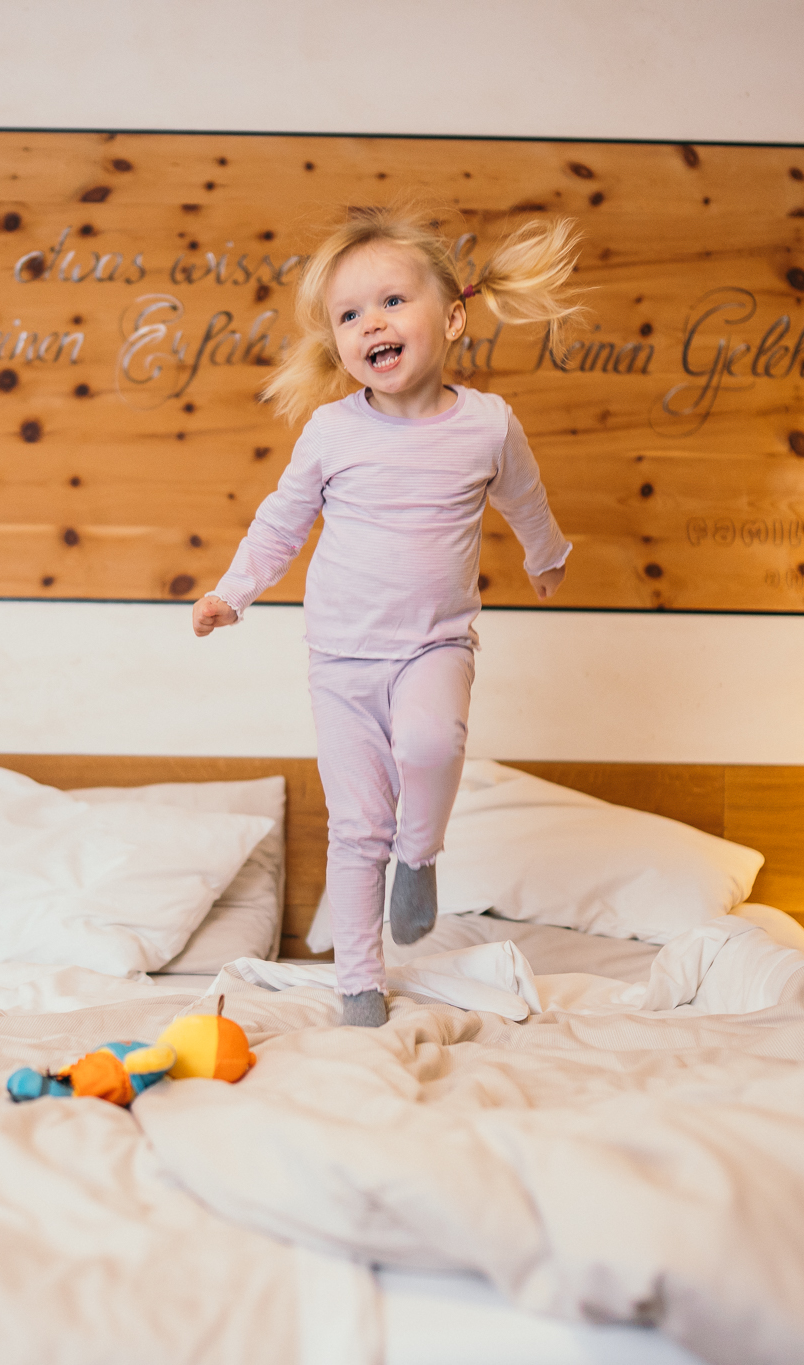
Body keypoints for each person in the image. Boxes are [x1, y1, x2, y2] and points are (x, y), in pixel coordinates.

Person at [190, 204, 585, 1026]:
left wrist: (546, 556)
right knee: (357, 820)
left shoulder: (488, 424)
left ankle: (422, 854)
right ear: (338, 342)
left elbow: (526, 498)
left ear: (453, 315)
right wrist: (233, 590)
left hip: (435, 642)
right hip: (340, 661)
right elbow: (281, 521)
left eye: (392, 302)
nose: (372, 322)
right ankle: (359, 981)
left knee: (432, 741)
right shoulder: (332, 431)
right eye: (349, 314)